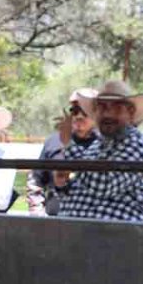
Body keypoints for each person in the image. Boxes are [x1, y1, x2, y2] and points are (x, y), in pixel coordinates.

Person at [54, 80, 143, 222]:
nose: (108, 114)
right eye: (102, 107)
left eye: (116, 108)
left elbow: (102, 185)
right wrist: (63, 184)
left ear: (130, 112)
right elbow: (83, 184)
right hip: (77, 232)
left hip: (112, 235)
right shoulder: (97, 144)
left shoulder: (138, 144)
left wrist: (69, 144)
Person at [27, 87, 97, 216]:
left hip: (92, 220)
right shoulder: (53, 142)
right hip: (54, 220)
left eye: (85, 111)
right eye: (75, 111)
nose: (79, 116)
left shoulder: (104, 146)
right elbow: (36, 181)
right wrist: (38, 214)